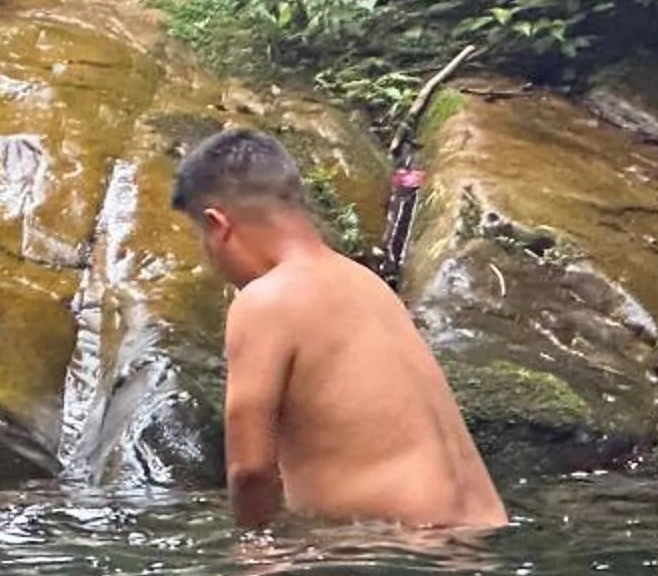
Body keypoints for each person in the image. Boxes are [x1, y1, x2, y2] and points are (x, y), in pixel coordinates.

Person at [168, 127, 508, 532]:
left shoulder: (267, 301)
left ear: (218, 226)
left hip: (394, 561)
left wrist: (254, 561)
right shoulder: (369, 287)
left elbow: (251, 471)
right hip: (481, 539)